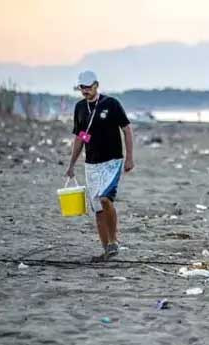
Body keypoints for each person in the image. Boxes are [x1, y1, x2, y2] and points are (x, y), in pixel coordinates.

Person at [65, 70, 135, 261]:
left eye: (88, 87)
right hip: (91, 164)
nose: (85, 90)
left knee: (105, 199)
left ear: (97, 85)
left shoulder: (111, 104)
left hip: (112, 161)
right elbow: (81, 136)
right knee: (97, 209)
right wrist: (72, 164)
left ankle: (113, 241)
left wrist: (129, 158)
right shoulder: (80, 108)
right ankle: (106, 250)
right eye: (82, 87)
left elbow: (126, 129)